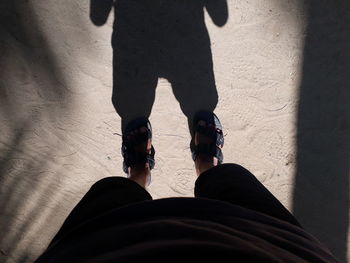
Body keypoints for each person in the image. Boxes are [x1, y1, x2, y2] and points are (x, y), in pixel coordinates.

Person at [35, 112, 337, 262]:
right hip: (266, 247)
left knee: (110, 198)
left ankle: (139, 172)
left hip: (104, 248)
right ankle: (206, 165)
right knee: (234, 183)